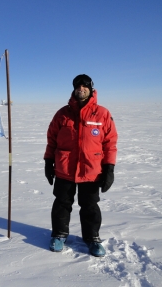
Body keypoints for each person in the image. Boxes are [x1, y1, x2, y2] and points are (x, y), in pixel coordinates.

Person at [44, 74, 118, 257]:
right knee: (62, 203)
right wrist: (48, 161)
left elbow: (110, 143)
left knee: (90, 205)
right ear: (74, 89)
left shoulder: (102, 114)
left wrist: (109, 168)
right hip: (64, 168)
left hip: (91, 169)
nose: (81, 88)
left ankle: (92, 238)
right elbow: (51, 139)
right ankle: (59, 235)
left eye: (85, 86)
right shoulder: (62, 114)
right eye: (78, 85)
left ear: (91, 89)